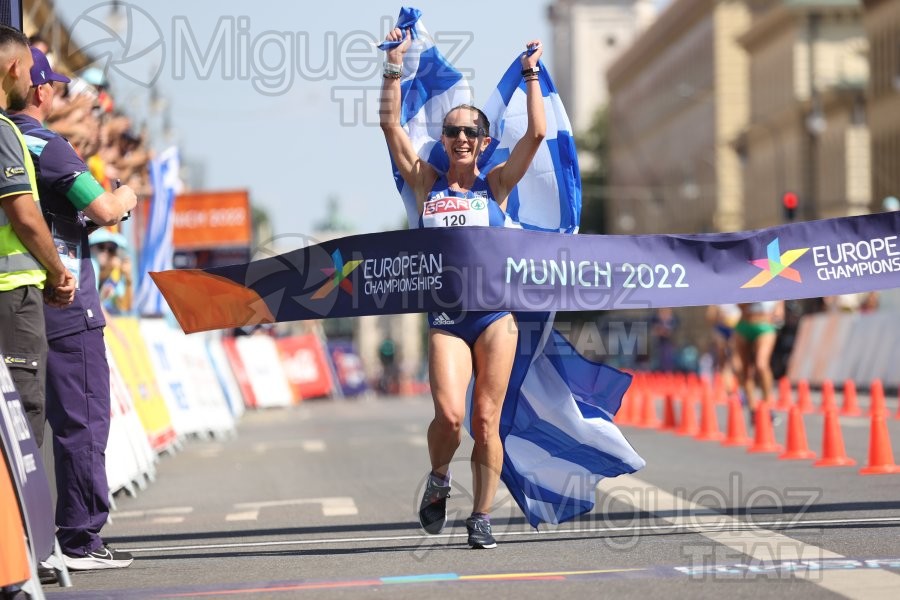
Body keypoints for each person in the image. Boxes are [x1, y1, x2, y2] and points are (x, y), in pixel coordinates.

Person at [380, 28, 546, 549]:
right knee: (451, 419)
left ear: (484, 141)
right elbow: (389, 124)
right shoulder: (425, 181)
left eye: (472, 132)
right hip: (448, 318)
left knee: (485, 418)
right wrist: (393, 65)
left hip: (496, 315)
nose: (462, 138)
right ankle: (438, 477)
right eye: (453, 131)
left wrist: (531, 76)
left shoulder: (494, 185)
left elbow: (536, 137)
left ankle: (481, 515)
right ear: (444, 139)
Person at [9, 46, 137, 571]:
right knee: (82, 419)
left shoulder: (5, 140)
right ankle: (81, 538)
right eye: (55, 87)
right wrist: (126, 194)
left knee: (29, 425)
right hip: (68, 301)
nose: (58, 94)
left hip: (22, 297)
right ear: (41, 91)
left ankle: (27, 538)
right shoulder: (47, 145)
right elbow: (104, 209)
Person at [0, 26, 75, 447]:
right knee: (22, 416)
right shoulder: (3, 130)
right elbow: (24, 214)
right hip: (11, 293)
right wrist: (57, 269)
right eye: (30, 71)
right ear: (14, 68)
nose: (32, 82)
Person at [733, 301, 783, 421]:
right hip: (744, 325)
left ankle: (768, 405)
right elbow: (739, 305)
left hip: (764, 326)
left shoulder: (776, 288)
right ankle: (752, 408)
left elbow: (779, 313)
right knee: (745, 368)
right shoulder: (745, 285)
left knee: (761, 365)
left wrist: (776, 314)